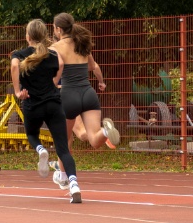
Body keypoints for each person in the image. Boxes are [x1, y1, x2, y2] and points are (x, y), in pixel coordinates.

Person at [11, 19, 82, 203]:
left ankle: (41, 149)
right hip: (53, 105)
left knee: (32, 134)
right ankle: (74, 185)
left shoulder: (20, 54)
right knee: (63, 149)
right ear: (44, 35)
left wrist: (18, 91)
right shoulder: (51, 55)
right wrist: (53, 83)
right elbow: (60, 65)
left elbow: (13, 66)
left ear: (28, 36)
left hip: (32, 104)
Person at [49, 12, 120, 189]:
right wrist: (102, 82)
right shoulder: (82, 44)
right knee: (94, 140)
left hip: (68, 95)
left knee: (64, 143)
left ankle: (65, 177)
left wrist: (50, 88)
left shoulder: (56, 47)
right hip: (88, 93)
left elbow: (58, 69)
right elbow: (93, 66)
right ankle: (105, 131)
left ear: (58, 29)